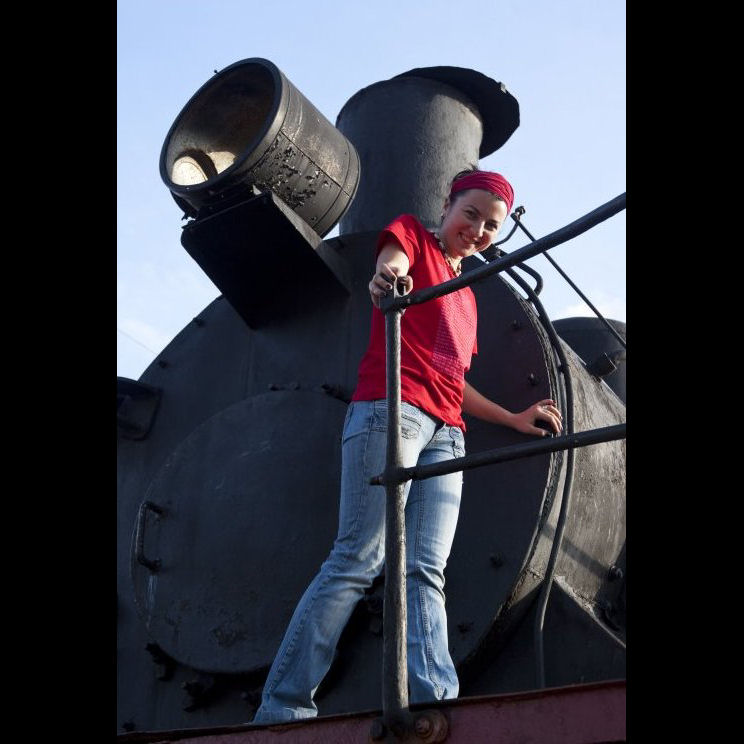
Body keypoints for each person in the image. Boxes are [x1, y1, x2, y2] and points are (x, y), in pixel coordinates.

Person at [252, 169, 562, 722]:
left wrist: (514, 419)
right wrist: (388, 280)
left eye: (491, 225)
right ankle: (283, 707)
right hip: (391, 411)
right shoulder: (412, 236)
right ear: (447, 206)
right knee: (359, 557)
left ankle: (435, 702)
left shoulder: (466, 296)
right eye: (471, 214)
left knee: (425, 570)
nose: (478, 230)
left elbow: (453, 382)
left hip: (447, 434)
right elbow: (391, 268)